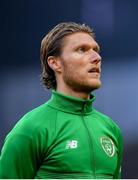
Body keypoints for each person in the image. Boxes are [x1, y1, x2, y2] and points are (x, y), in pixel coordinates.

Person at [0, 22, 123, 179]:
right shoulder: (31, 129)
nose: (96, 57)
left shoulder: (111, 129)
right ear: (55, 63)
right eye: (82, 50)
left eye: (96, 50)